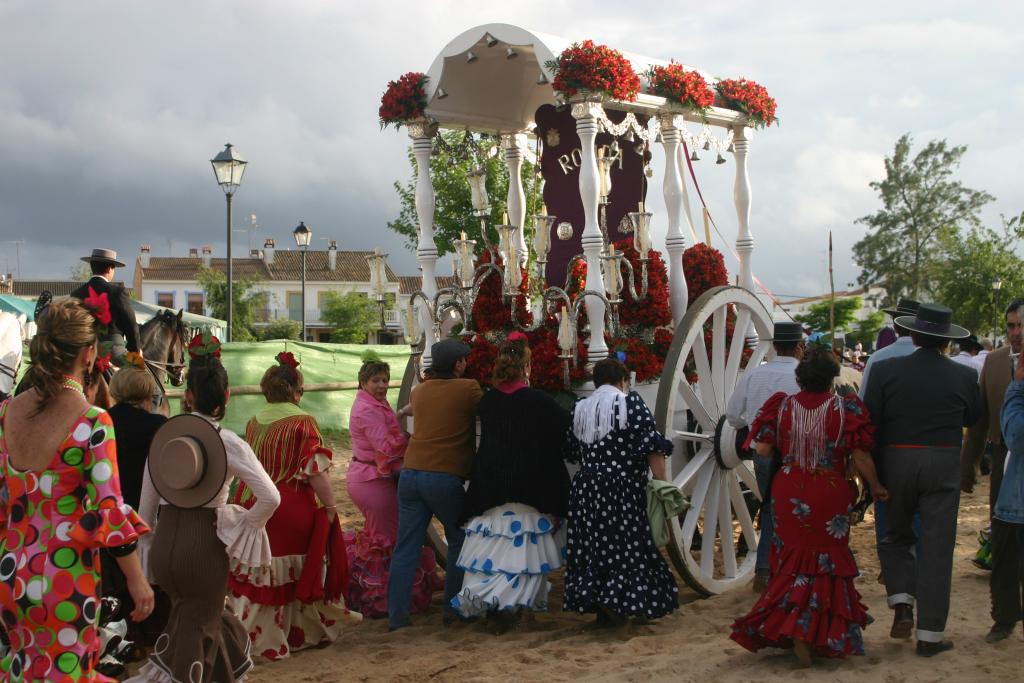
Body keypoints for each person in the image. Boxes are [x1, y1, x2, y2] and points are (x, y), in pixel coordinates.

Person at [0, 298, 154, 679]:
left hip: (10, 572)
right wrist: (137, 581)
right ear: (89, 355)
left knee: (22, 669)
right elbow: (110, 508)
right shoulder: (92, 421)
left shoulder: (7, 413)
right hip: (64, 577)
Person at [131, 336, 281, 682]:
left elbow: (145, 511)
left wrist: (152, 550)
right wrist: (240, 521)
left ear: (189, 396)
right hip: (203, 548)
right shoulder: (228, 442)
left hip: (165, 547)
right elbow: (271, 497)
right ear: (227, 397)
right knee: (201, 624)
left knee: (197, 620)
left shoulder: (164, 439)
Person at [730, 346, 882, 665]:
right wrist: (876, 486)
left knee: (791, 560)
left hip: (790, 490)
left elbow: (763, 448)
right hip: (829, 490)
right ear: (831, 377)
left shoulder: (781, 407)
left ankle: (793, 628)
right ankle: (816, 631)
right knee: (826, 560)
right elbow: (860, 455)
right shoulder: (845, 409)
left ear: (800, 377)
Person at [227, 352, 362, 659]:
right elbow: (316, 472)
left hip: (252, 503)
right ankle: (294, 634)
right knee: (291, 574)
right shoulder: (303, 422)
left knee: (261, 573)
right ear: (294, 390)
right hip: (289, 507)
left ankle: (253, 635)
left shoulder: (253, 421)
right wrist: (329, 507)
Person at [864, 304, 981, 657]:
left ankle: (901, 600)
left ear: (911, 335)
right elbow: (973, 417)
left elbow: (871, 422)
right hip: (943, 461)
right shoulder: (964, 376)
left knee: (894, 534)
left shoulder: (885, 370)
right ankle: (930, 635)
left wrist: (876, 473)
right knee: (937, 546)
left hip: (896, 458)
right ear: (946, 342)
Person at [452, 339, 571, 628]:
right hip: (530, 486)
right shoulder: (539, 401)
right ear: (527, 367)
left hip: (491, 484)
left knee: (492, 546)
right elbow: (564, 430)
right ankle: (514, 606)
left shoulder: (489, 401)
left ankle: (487, 602)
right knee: (523, 549)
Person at [563, 358, 677, 625]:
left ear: (597, 381)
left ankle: (601, 602)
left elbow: (570, 450)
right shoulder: (630, 403)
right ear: (623, 381)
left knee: (594, 546)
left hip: (587, 486)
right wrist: (663, 483)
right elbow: (651, 446)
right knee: (628, 545)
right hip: (622, 485)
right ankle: (624, 602)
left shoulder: (579, 408)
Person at [387, 338, 483, 631]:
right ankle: (453, 611)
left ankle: (397, 616)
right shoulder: (469, 388)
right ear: (457, 365)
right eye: (464, 360)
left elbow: (419, 409)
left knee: (406, 548)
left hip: (411, 473)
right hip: (443, 477)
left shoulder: (419, 391)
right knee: (459, 539)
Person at [345, 353, 441, 618]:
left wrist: (400, 412)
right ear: (363, 382)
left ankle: (390, 595)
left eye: (385, 380)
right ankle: (381, 599)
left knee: (387, 535)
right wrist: (415, 439)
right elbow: (386, 448)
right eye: (376, 380)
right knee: (386, 541)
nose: (382, 385)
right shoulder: (366, 409)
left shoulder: (375, 402)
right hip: (370, 480)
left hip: (374, 476)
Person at [726, 321, 803, 592]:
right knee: (801, 508)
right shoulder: (803, 374)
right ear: (799, 347)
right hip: (798, 452)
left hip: (763, 450)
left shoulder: (755, 374)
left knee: (770, 506)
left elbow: (733, 415)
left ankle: (763, 569)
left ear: (773, 346)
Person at [964, 298, 1024, 642]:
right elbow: (980, 418)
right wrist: (968, 466)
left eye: (1020, 326)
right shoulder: (996, 361)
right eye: (1010, 326)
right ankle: (1003, 616)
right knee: (1001, 544)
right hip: (1003, 459)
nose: (1015, 333)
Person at [104, 365, 170, 650]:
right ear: (147, 393)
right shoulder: (158, 426)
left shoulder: (102, 422)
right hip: (146, 515)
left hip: (109, 514)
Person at [859, 298, 923, 560]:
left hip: (886, 448)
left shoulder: (877, 359)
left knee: (885, 503)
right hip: (923, 446)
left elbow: (864, 407)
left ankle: (890, 562)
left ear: (896, 326)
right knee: (918, 507)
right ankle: (915, 556)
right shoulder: (935, 359)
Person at [994, 348, 1024, 642]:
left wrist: (1017, 386)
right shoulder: (994, 362)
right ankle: (1004, 618)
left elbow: (1016, 435)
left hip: (1017, 495)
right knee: (1004, 559)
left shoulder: (1018, 384)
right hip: (1008, 488)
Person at [70, 248, 142, 366]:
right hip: (113, 350)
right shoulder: (117, 292)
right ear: (109, 268)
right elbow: (131, 325)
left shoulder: (77, 294)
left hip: (83, 349)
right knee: (139, 367)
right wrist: (136, 351)